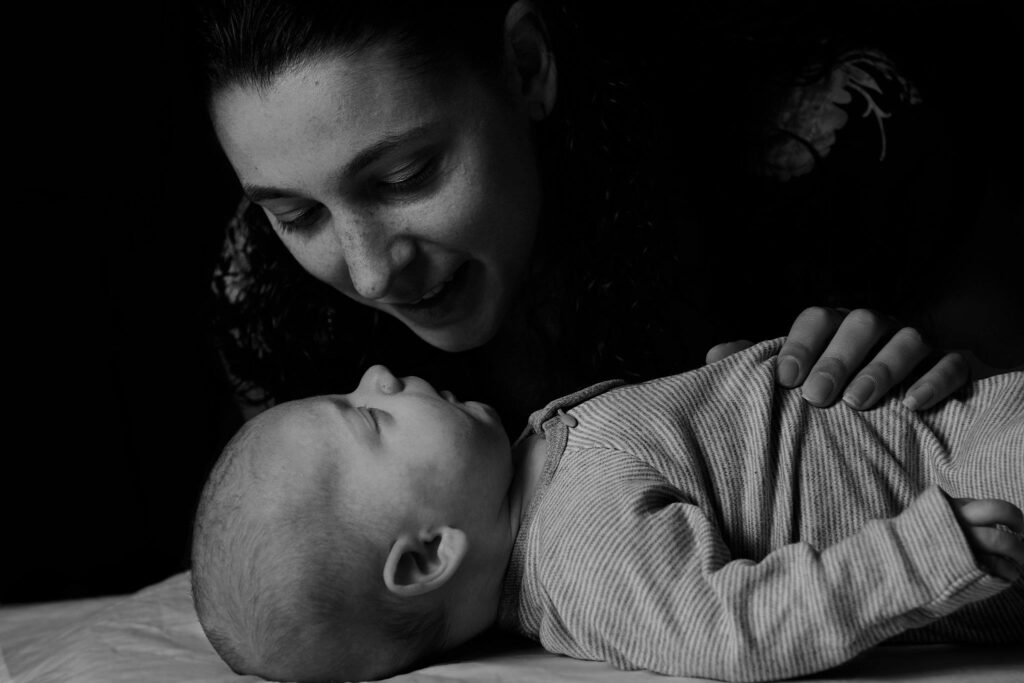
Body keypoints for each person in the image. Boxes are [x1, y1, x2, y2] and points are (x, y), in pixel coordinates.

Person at [196, 0, 1003, 431]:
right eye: (297, 214)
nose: (371, 273)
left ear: (526, 67)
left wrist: (929, 371)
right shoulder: (269, 298)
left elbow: (995, 370)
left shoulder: (819, 137)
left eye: (406, 176)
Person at [190, 339, 1024, 683]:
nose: (377, 374)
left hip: (950, 423)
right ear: (427, 556)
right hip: (965, 488)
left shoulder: (533, 469)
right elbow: (733, 628)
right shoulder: (578, 553)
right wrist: (918, 553)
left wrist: (737, 385)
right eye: (368, 416)